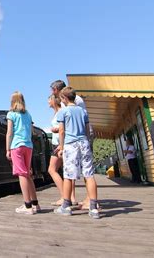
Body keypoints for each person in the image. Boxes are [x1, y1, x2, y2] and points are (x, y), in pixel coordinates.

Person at [54, 87, 100, 219]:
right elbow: (87, 130)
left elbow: (61, 131)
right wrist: (86, 142)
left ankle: (66, 206)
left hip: (71, 144)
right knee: (89, 174)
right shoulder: (83, 111)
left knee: (69, 175)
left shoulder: (63, 111)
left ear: (64, 98)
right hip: (84, 143)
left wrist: (61, 147)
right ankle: (93, 208)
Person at [6, 91, 40, 214]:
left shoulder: (11, 114)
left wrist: (7, 149)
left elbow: (9, 133)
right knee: (28, 174)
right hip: (28, 146)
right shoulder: (28, 115)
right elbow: (31, 131)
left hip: (17, 146)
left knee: (22, 174)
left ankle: (27, 206)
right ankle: (35, 204)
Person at [48, 95, 77, 206]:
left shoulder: (61, 112)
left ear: (54, 101)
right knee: (68, 170)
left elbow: (63, 129)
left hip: (59, 144)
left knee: (52, 169)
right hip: (61, 144)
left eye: (49, 99)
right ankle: (71, 197)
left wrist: (61, 143)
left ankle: (65, 196)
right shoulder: (58, 112)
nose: (48, 102)